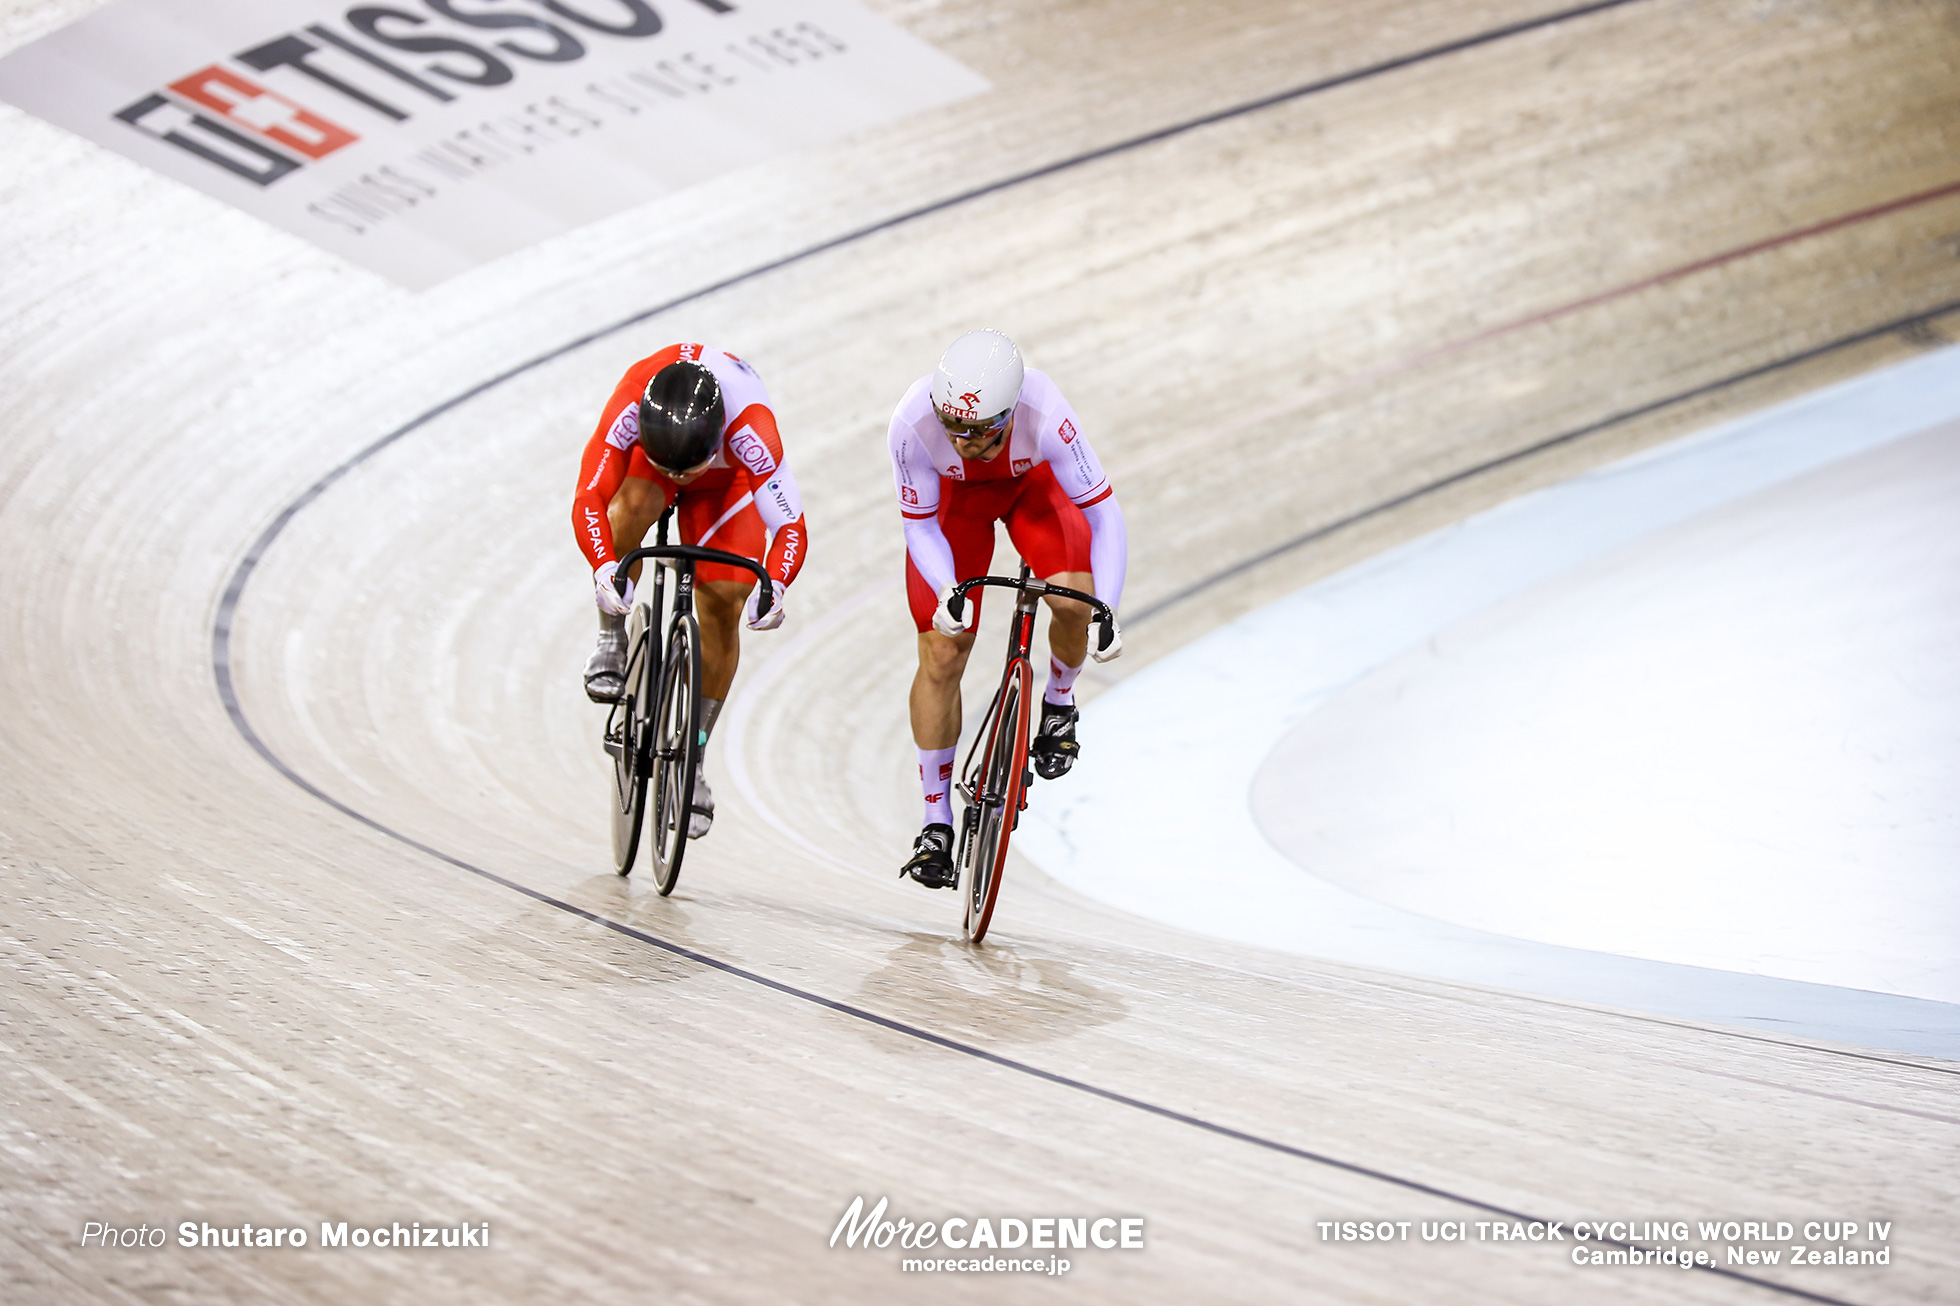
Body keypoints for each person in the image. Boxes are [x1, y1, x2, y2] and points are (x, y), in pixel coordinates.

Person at [887, 329, 1126, 889]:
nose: (962, 441)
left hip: (1033, 491)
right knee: (943, 653)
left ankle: (1059, 702)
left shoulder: (1045, 412)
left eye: (977, 430)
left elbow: (1104, 515)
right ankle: (935, 823)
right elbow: (918, 526)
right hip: (954, 510)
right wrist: (949, 588)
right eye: (953, 427)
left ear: (1009, 412)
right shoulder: (912, 424)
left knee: (1072, 600)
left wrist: (1107, 609)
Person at [572, 343, 809, 839]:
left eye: (687, 469)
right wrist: (603, 567)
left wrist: (777, 583)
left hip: (723, 481)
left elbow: (790, 526)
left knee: (727, 597)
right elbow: (589, 496)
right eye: (673, 469)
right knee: (623, 515)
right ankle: (612, 639)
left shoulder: (751, 426)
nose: (680, 478)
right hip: (646, 467)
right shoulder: (631, 403)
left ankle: (693, 756)